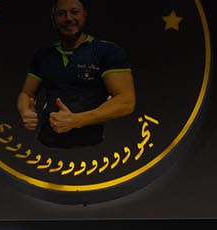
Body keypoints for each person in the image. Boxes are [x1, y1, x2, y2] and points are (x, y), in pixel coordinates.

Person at [16, 0, 134, 149]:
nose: (68, 18)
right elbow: (26, 93)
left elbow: (126, 101)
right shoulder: (43, 55)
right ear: (54, 19)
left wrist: (76, 120)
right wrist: (25, 111)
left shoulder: (107, 51)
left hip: (93, 148)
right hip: (46, 145)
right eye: (61, 14)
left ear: (84, 15)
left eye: (74, 12)